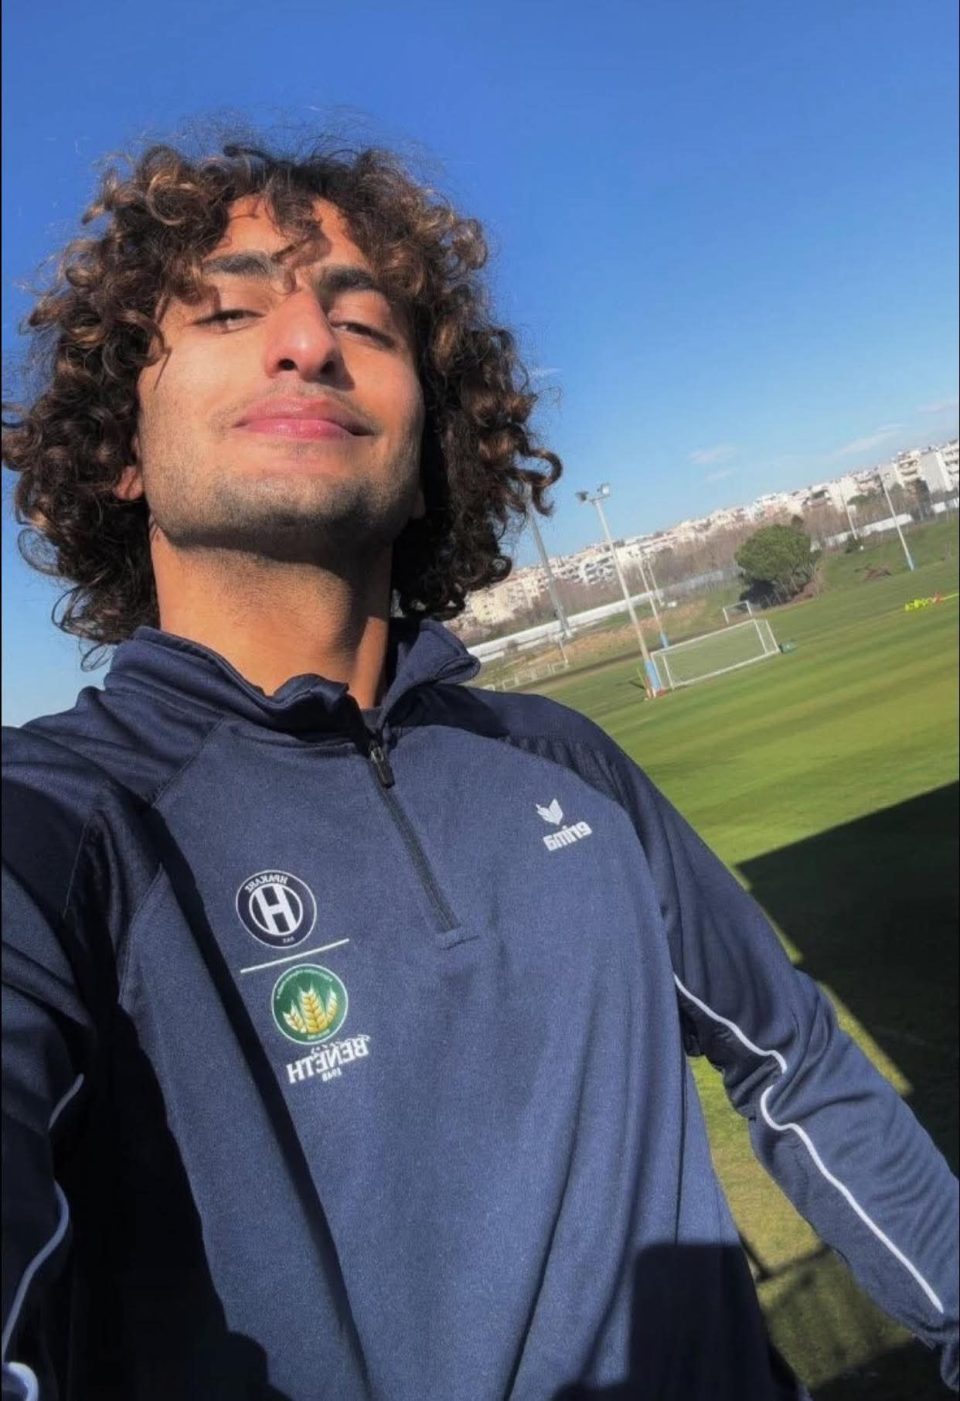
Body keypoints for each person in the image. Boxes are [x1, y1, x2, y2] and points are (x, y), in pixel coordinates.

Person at [1, 137, 957, 1401]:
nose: (308, 341)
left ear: (429, 453)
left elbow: (795, 1062)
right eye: (229, 311)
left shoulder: (562, 758)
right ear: (118, 449)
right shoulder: (52, 833)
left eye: (366, 324)